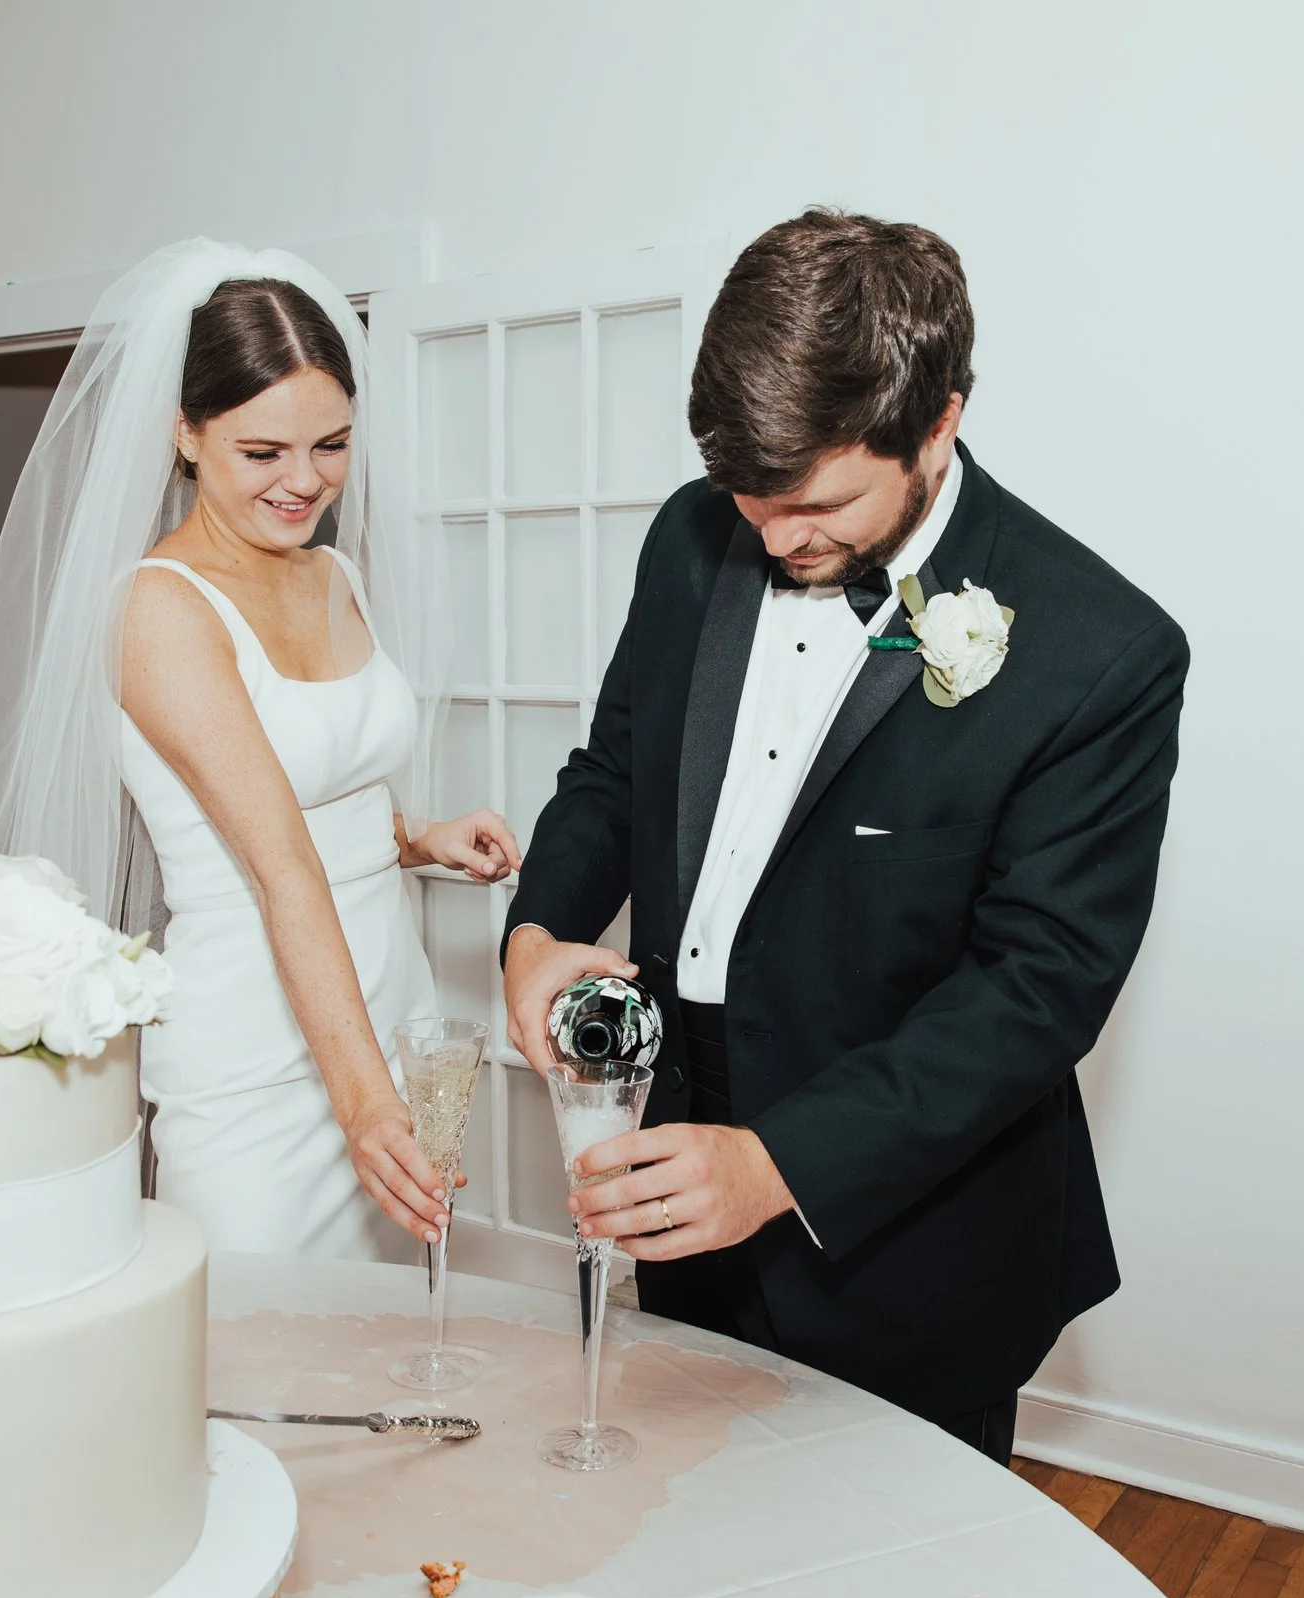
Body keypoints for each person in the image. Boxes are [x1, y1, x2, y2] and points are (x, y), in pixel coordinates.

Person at [502, 210, 1189, 1463]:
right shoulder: (687, 537)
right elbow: (611, 774)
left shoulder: (1103, 650)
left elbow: (1034, 992)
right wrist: (537, 931)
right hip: (673, 1137)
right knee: (683, 1540)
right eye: (746, 500)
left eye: (816, 503)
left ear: (940, 420)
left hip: (908, 1222)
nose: (773, 540)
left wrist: (779, 1163)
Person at [0, 241, 516, 1259]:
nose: (305, 481)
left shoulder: (334, 574)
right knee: (264, 1366)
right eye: (263, 452)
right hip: (262, 1056)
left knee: (391, 1357)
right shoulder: (159, 610)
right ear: (185, 434)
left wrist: (419, 837)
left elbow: (318, 802)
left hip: (385, 1002)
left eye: (331, 444)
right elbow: (274, 861)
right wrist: (366, 1106)